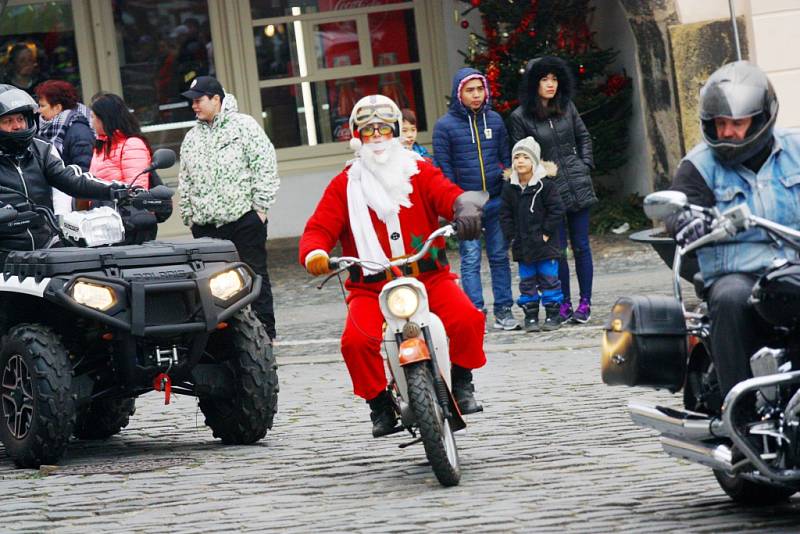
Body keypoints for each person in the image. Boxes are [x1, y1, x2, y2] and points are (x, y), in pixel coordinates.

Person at [299, 94, 487, 438]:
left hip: (429, 278)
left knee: (467, 318)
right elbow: (318, 229)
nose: (377, 137)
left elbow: (448, 194)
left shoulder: (420, 171)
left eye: (384, 129)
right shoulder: (345, 184)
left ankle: (462, 382)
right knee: (355, 342)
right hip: (370, 287)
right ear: (357, 136)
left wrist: (464, 208)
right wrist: (315, 253)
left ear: (397, 131)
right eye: (368, 131)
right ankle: (379, 403)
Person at [666, 60, 800, 403]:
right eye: (721, 123)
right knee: (729, 299)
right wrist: (685, 222)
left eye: (737, 123)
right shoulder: (698, 166)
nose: (727, 132)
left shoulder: (796, 150)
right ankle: (739, 411)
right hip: (738, 273)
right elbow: (679, 208)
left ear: (760, 118)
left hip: (793, 268)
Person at [179, 75, 279, 340]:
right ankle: (223, 337)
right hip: (206, 226)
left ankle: (264, 334)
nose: (194, 106)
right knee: (211, 284)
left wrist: (260, 208)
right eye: (192, 102)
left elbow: (264, 165)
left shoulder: (244, 126)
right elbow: (185, 178)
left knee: (254, 276)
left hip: (244, 219)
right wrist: (188, 215)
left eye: (199, 100)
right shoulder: (191, 137)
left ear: (216, 99)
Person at [508, 56, 597, 325]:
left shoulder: (567, 107)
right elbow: (520, 155)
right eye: (545, 79)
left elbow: (583, 137)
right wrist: (539, 183)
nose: (550, 84)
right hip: (548, 192)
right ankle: (563, 302)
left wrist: (584, 166)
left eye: (554, 79)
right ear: (533, 83)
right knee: (556, 251)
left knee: (581, 246)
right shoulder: (520, 117)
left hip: (577, 185)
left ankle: (585, 302)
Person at [432, 67, 518, 331]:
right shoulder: (445, 127)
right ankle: (475, 310)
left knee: (499, 256)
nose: (476, 95)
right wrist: (455, 202)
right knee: (470, 259)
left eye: (480, 89)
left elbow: (506, 159)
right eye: (470, 90)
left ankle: (504, 309)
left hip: (495, 199)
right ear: (459, 93)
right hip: (466, 204)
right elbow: (443, 169)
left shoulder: (494, 120)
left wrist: (505, 192)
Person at [0, 85, 126, 261]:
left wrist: (118, 190)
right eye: (7, 121)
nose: (17, 126)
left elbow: (70, 179)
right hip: (5, 253)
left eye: (20, 119)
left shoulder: (40, 149)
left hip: (47, 248)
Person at [499, 137, 565, 332]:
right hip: (523, 245)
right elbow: (505, 214)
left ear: (534, 161)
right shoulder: (510, 188)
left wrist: (546, 232)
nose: (520, 161)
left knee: (549, 279)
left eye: (525, 157)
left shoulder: (546, 185)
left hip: (546, 245)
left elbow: (557, 210)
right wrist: (511, 235)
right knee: (527, 282)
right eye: (516, 157)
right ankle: (531, 315)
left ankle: (553, 314)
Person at [35, 80, 95, 215]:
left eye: (42, 106)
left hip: (73, 208)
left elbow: (84, 173)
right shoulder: (50, 130)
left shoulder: (78, 131)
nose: (39, 110)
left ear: (57, 108)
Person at [89, 92, 152, 189]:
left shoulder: (132, 145)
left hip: (119, 204)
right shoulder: (102, 145)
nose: (91, 124)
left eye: (93, 117)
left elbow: (137, 190)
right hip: (101, 204)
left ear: (105, 118)